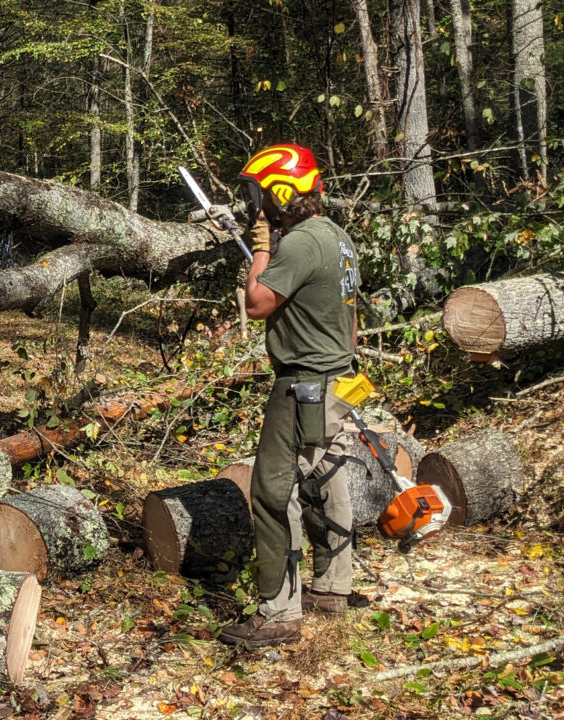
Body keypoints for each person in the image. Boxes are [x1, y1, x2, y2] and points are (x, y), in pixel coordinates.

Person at [210, 144, 362, 648]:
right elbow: (353, 320)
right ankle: (333, 587)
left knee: (274, 491)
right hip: (339, 376)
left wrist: (261, 247)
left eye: (258, 196)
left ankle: (277, 613)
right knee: (327, 475)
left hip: (302, 384)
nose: (257, 207)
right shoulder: (338, 239)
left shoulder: (296, 244)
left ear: (279, 191)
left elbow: (256, 303)